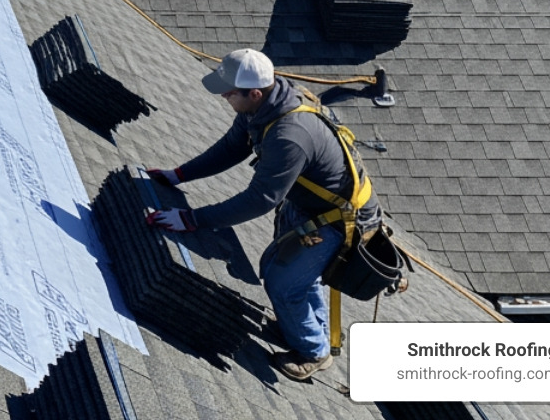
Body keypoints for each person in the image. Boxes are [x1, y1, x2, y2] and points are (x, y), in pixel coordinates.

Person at [145, 49, 380, 382]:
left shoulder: (289, 135)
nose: (224, 97)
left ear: (254, 92)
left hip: (341, 220)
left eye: (229, 93)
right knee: (292, 277)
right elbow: (232, 147)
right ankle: (306, 329)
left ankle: (314, 351)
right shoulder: (264, 106)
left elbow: (259, 200)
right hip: (312, 204)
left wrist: (191, 219)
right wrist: (179, 175)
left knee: (282, 283)